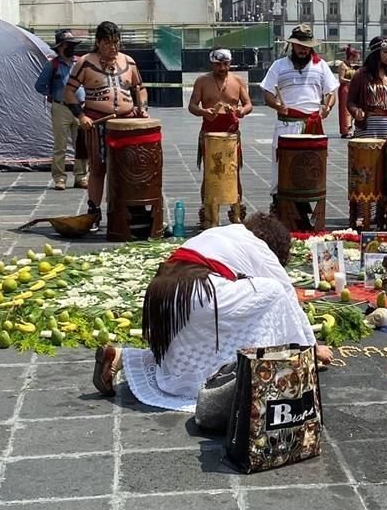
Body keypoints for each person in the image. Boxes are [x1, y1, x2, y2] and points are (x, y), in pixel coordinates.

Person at [92, 213, 333, 407]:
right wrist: (311, 347)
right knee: (273, 292)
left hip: (162, 296)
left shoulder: (223, 232)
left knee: (196, 343)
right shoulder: (259, 247)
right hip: (195, 292)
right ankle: (276, 362)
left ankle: (124, 356)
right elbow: (285, 292)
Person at [63, 21, 147, 231]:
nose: (113, 47)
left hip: (126, 123)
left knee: (128, 169)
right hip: (97, 123)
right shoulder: (85, 62)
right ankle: (94, 211)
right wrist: (80, 115)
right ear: (98, 43)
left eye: (116, 42)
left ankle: (128, 209)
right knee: (98, 168)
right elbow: (69, 92)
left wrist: (142, 107)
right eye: (108, 43)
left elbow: (139, 88)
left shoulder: (128, 62)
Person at [261, 24, 338, 202]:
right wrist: (276, 105)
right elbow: (267, 94)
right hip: (287, 124)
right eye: (299, 45)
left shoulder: (321, 66)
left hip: (312, 124)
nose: (303, 50)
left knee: (311, 165)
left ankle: (309, 202)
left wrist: (327, 107)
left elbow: (330, 93)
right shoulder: (278, 66)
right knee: (283, 164)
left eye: (306, 46)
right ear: (292, 46)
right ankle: (279, 202)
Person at [188, 47, 252, 227]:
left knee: (234, 172)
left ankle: (236, 208)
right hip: (209, 132)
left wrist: (241, 111)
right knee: (210, 173)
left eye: (225, 64)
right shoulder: (202, 81)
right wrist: (203, 111)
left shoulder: (238, 81)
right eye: (218, 65)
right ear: (212, 64)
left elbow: (248, 104)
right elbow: (192, 105)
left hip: (231, 133)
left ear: (230, 63)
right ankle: (206, 209)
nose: (222, 68)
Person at [35, 29, 88, 191]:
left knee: (82, 145)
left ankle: (81, 177)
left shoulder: (80, 63)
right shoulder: (52, 65)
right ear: (60, 47)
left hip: (80, 108)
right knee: (60, 145)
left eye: (72, 44)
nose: (71, 47)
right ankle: (59, 178)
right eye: (67, 44)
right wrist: (52, 94)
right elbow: (39, 86)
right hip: (61, 108)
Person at [347, 37, 387, 137]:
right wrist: (356, 111)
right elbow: (350, 101)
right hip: (369, 127)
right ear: (376, 54)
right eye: (386, 51)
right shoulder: (361, 74)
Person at [337, 45, 359, 137]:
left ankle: (351, 127)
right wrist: (351, 81)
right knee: (344, 110)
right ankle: (345, 130)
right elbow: (341, 79)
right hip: (345, 89)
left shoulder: (351, 66)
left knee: (352, 108)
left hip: (351, 89)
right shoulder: (343, 65)